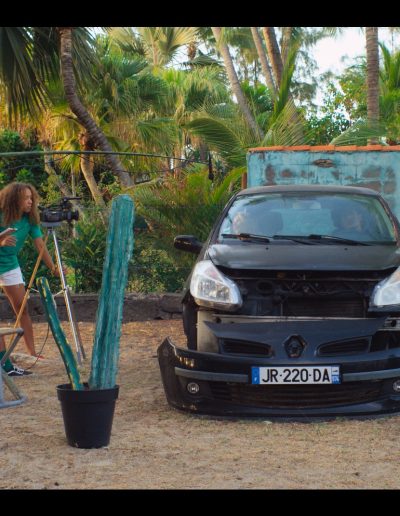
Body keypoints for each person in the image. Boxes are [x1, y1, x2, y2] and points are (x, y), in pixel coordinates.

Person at [0, 182, 60, 377]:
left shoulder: (30, 219)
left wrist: (53, 268)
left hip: (9, 264)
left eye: (31, 198)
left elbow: (40, 245)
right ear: (14, 200)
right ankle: (4, 364)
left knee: (22, 308)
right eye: (26, 198)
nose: (30, 201)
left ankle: (31, 353)